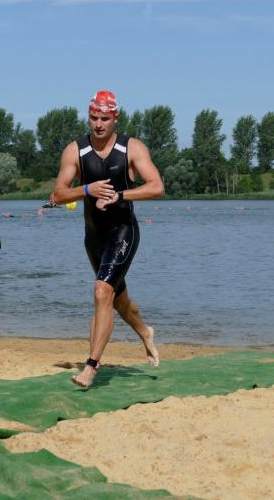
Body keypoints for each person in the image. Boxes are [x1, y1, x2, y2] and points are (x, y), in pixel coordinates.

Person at [52, 90, 164, 387]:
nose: (98, 124)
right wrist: (87, 190)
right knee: (117, 299)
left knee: (102, 291)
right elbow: (57, 195)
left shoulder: (132, 148)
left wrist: (120, 195)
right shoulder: (75, 150)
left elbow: (156, 186)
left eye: (104, 118)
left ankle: (91, 366)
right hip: (94, 237)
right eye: (93, 118)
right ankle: (145, 332)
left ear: (116, 118)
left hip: (123, 231)